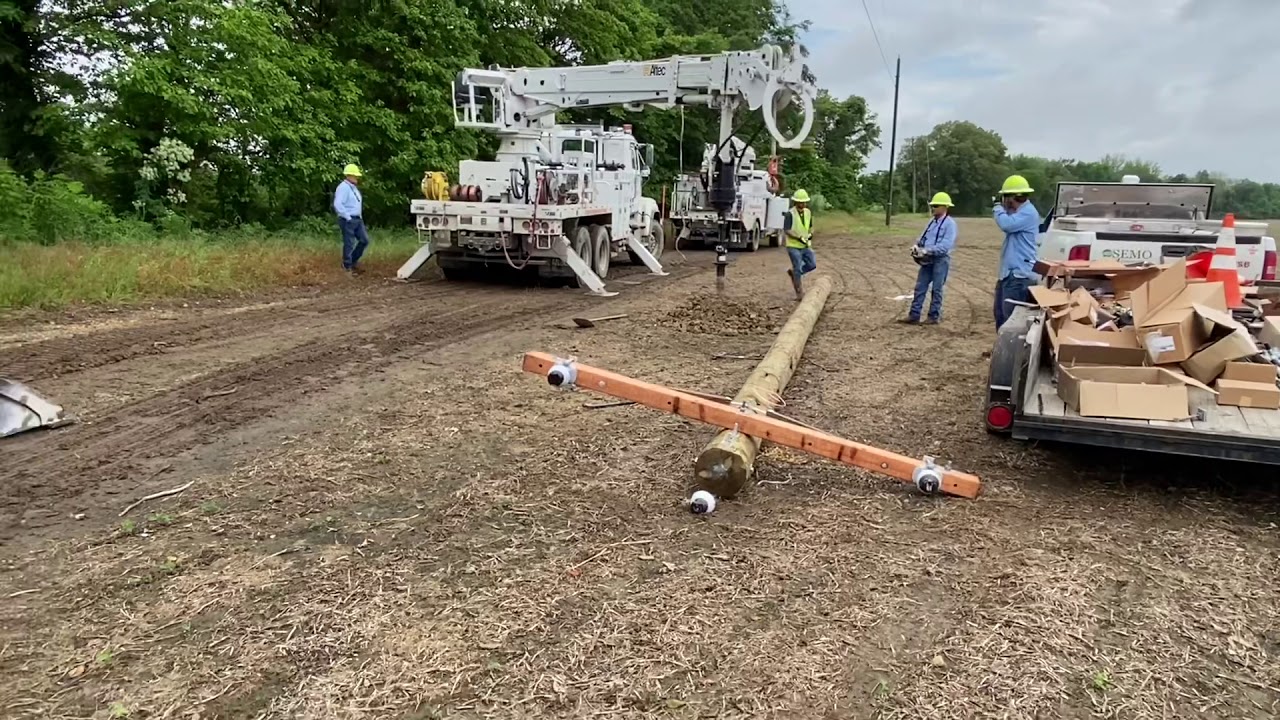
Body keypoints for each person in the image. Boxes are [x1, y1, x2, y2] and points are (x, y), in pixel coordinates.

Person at [992, 175, 1041, 328]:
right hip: (1009, 275)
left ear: (1011, 198)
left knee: (1011, 321)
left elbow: (1006, 224)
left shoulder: (1028, 212)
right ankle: (1001, 351)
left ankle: (1010, 352)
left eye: (1004, 197)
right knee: (1000, 315)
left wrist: (997, 208)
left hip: (1019, 276)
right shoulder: (1020, 212)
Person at [903, 192, 958, 325]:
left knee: (937, 289)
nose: (933, 208)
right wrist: (917, 246)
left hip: (940, 259)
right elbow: (922, 238)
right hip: (928, 259)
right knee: (920, 287)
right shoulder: (931, 222)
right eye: (932, 205)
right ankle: (914, 315)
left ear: (945, 207)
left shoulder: (950, 224)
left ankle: (933, 316)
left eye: (935, 206)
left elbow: (945, 246)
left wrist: (927, 250)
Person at [333, 163, 369, 274]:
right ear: (349, 176)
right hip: (348, 219)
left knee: (364, 240)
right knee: (349, 242)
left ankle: (352, 261)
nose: (357, 178)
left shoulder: (353, 188)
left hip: (357, 219)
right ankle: (347, 265)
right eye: (355, 175)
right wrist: (347, 217)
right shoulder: (343, 188)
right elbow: (338, 204)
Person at [783, 189, 816, 299]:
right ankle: (799, 292)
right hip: (793, 246)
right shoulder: (789, 214)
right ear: (795, 202)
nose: (802, 204)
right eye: (800, 202)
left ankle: (794, 273)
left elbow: (811, 227)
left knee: (812, 264)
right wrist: (798, 237)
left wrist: (811, 234)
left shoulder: (808, 212)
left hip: (805, 245)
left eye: (804, 202)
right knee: (797, 266)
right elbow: (787, 230)